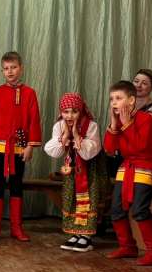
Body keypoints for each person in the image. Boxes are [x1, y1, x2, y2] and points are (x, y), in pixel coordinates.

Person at [0, 51, 42, 242]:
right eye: (6, 68)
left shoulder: (30, 93)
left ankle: (16, 227)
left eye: (13, 67)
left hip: (19, 148)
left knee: (16, 185)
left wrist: (30, 146)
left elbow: (34, 121)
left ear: (21, 68)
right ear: (2, 71)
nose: (10, 71)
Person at [103, 80, 152, 264]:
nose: (114, 102)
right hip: (126, 168)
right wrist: (114, 125)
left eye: (118, 98)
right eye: (112, 99)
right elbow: (109, 149)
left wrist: (127, 124)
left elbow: (140, 147)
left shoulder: (145, 119)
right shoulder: (118, 121)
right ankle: (127, 247)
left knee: (140, 210)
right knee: (116, 209)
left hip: (145, 167)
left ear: (131, 100)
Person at [43, 93, 107, 251]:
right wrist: (65, 136)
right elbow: (53, 151)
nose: (69, 116)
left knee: (88, 199)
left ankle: (86, 236)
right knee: (71, 198)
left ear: (81, 111)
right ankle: (75, 233)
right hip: (72, 170)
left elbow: (90, 152)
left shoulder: (91, 125)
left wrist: (77, 136)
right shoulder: (59, 126)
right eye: (66, 112)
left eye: (74, 111)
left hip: (90, 170)